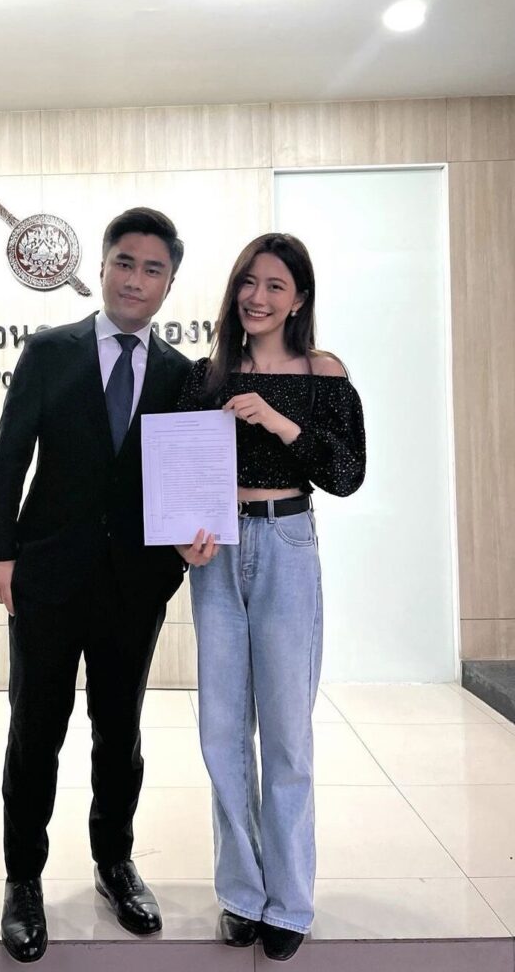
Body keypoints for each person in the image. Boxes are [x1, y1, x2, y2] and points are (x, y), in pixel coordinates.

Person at [0, 206, 216, 963]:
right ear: (104, 266)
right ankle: (23, 879)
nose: (135, 280)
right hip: (47, 576)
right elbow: (11, 454)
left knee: (120, 733)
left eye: (153, 269)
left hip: (134, 584)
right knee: (36, 731)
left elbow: (184, 478)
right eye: (124, 263)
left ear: (169, 283)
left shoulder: (182, 374)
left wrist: (191, 543)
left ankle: (115, 862)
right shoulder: (50, 350)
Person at [177, 233, 365, 962]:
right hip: (217, 554)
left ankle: (289, 900)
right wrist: (182, 540)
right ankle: (241, 894)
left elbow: (346, 473)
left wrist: (280, 421)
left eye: (275, 286)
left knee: (287, 733)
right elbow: (179, 476)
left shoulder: (323, 373)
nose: (257, 297)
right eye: (248, 282)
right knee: (222, 731)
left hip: (287, 543)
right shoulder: (206, 376)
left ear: (298, 300)